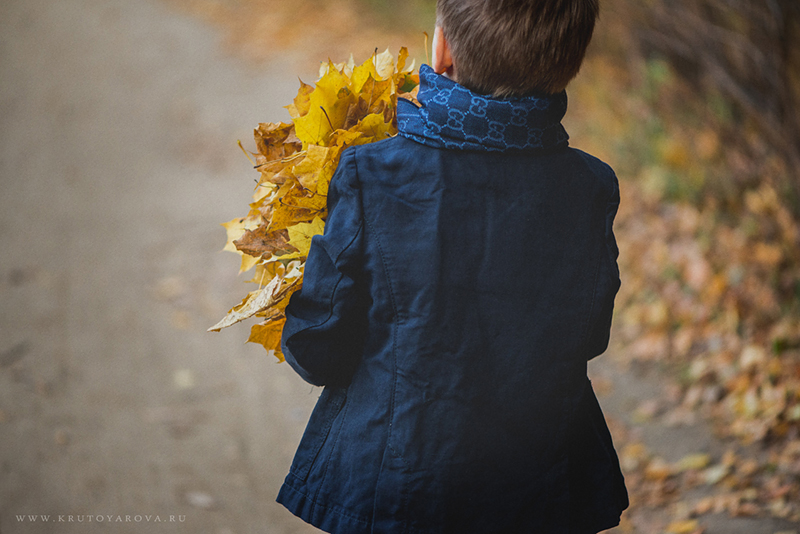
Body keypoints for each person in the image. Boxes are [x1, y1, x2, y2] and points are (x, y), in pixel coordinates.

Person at [276, 0, 629, 532]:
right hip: (539, 483)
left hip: (398, 483)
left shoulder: (371, 175)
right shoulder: (591, 187)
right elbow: (588, 336)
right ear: (569, 61)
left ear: (441, 49)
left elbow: (317, 346)